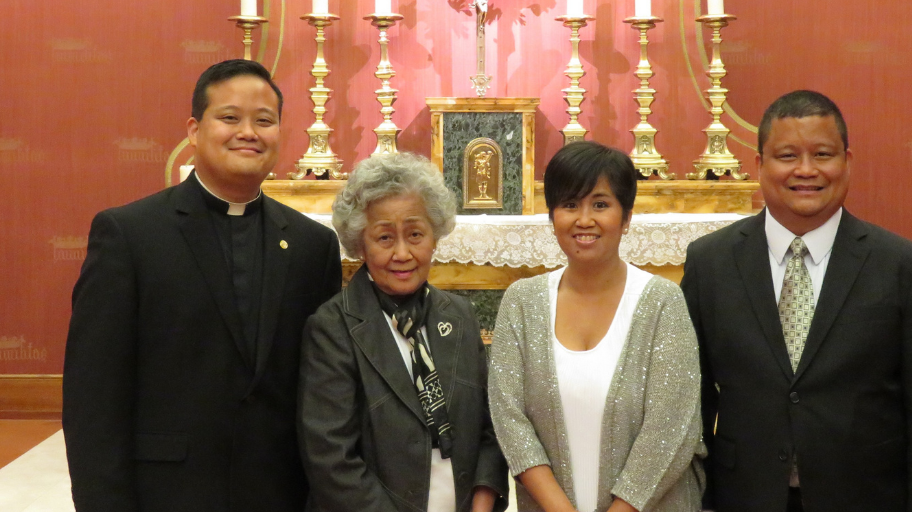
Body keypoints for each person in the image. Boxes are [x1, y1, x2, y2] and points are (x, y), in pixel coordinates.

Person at [63, 59, 342, 512]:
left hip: (280, 491)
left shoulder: (314, 246)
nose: (248, 132)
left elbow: (326, 387)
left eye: (264, 120)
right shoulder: (131, 234)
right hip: (166, 492)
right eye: (230, 117)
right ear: (194, 130)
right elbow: (93, 396)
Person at [680, 90, 912, 512]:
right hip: (743, 496)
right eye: (788, 156)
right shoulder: (711, 263)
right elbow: (691, 404)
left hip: (865, 496)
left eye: (823, 154)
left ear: (847, 162)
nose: (806, 170)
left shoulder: (902, 266)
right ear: (759, 165)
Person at [489, 141, 706, 512]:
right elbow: (509, 418)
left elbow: (672, 430)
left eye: (601, 204)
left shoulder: (662, 303)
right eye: (570, 204)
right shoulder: (521, 302)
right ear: (552, 215)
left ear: (626, 217)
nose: (584, 220)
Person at [298, 152, 509, 512]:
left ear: (435, 235)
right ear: (359, 243)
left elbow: (490, 427)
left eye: (415, 234)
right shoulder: (332, 327)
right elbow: (330, 457)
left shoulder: (459, 316)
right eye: (383, 238)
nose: (402, 253)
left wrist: (483, 501)